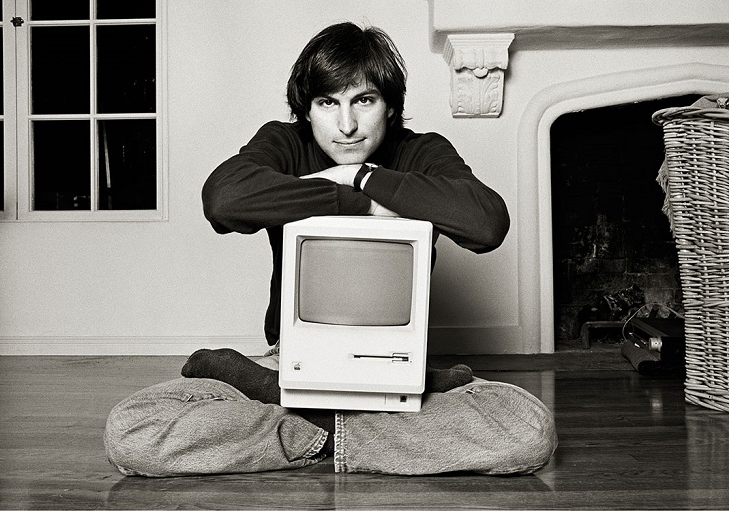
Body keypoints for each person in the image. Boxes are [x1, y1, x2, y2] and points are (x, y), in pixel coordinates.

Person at [104, 21, 556, 477]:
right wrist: (357, 199)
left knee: (529, 431)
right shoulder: (285, 143)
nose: (346, 125)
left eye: (364, 100)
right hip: (290, 359)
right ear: (306, 110)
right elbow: (223, 201)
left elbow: (487, 224)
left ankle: (303, 427)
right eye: (327, 103)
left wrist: (361, 175)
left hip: (391, 366)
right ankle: (358, 429)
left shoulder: (421, 152)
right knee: (131, 431)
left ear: (390, 105)